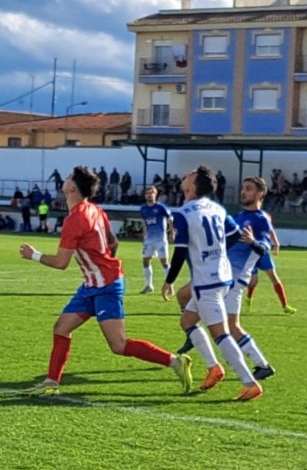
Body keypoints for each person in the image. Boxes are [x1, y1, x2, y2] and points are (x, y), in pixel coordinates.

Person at [18, 166, 193, 396]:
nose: (66, 179)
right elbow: (113, 242)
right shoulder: (95, 210)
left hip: (106, 286)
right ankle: (52, 381)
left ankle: (175, 362)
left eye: (69, 177)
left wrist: (35, 255)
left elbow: (61, 263)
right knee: (61, 328)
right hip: (93, 284)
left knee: (118, 345)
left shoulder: (75, 219)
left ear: (71, 187)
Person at [161, 166, 263, 401]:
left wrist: (169, 281)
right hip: (222, 275)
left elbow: (179, 253)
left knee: (221, 333)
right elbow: (235, 234)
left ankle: (250, 382)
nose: (184, 176)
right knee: (187, 321)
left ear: (193, 186)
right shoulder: (217, 208)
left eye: (189, 175)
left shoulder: (184, 213)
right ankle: (213, 367)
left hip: (207, 282)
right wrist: (216, 251)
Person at [176, 176, 277, 386]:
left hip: (236, 278)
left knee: (231, 326)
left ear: (260, 194)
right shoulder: (238, 216)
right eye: (243, 188)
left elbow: (264, 248)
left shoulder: (260, 219)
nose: (243, 192)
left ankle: (261, 366)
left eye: (249, 189)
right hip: (221, 275)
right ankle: (198, 339)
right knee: (185, 298)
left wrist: (253, 241)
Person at [245, 214, 297, 314]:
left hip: (263, 252)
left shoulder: (264, 218)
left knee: (274, 277)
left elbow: (271, 230)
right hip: (251, 253)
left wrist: (276, 243)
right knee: (254, 280)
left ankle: (285, 306)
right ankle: (248, 298)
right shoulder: (251, 221)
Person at [139, 186, 173, 294]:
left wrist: (172, 233)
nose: (149, 195)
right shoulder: (143, 209)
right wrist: (144, 236)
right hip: (149, 240)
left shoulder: (161, 207)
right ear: (145, 195)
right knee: (145, 261)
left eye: (151, 193)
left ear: (155, 195)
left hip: (160, 240)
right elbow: (145, 222)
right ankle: (149, 285)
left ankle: (170, 286)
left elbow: (170, 219)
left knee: (164, 263)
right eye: (147, 193)